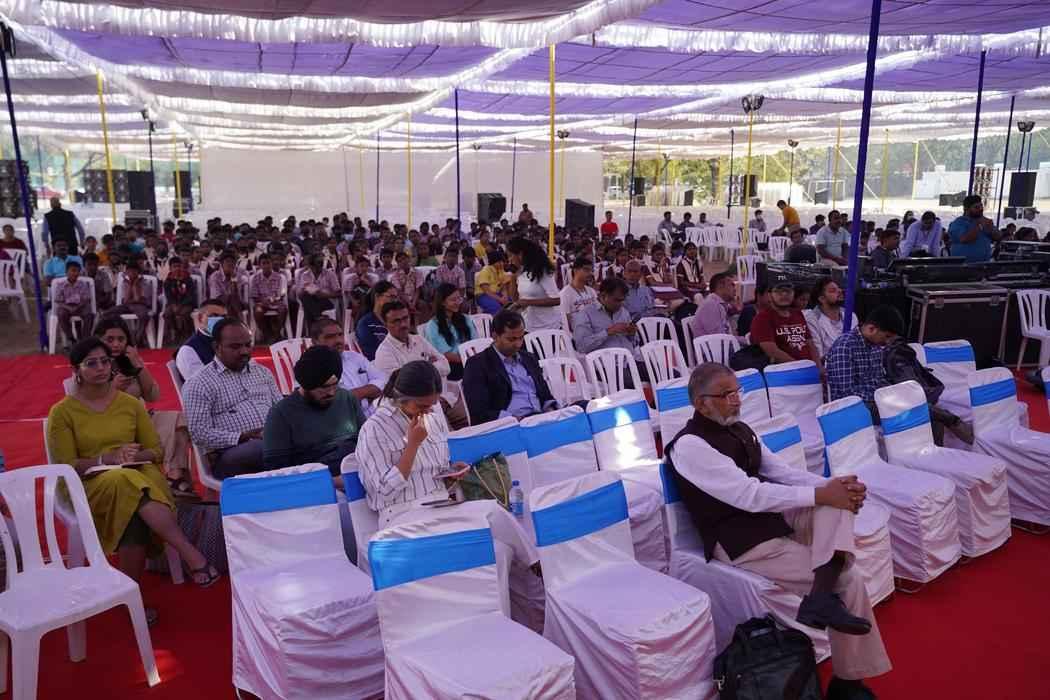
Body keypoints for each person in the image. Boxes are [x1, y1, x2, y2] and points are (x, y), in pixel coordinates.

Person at [665, 363, 890, 697]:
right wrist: (821, 494)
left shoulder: (740, 428)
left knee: (837, 503)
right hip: (740, 541)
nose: (736, 400)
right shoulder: (689, 446)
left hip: (772, 521)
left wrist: (834, 487)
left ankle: (820, 600)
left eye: (737, 391)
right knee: (849, 578)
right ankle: (848, 682)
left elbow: (783, 473)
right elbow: (748, 495)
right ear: (702, 403)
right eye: (726, 395)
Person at [47, 338, 220, 625]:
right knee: (124, 479)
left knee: (133, 498)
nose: (101, 368)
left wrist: (133, 455)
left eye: (105, 361)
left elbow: (156, 451)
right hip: (84, 484)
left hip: (135, 477)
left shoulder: (128, 404)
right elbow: (66, 465)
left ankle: (129, 598)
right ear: (76, 370)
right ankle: (189, 552)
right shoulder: (62, 412)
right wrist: (107, 459)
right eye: (91, 363)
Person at [826, 306, 971, 446]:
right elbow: (847, 393)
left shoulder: (876, 346)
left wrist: (897, 392)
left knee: (925, 410)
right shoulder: (844, 346)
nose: (887, 342)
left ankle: (936, 451)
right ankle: (950, 420)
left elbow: (880, 380)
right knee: (920, 410)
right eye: (887, 336)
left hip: (877, 400)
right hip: (853, 409)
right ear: (871, 329)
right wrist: (887, 397)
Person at [92, 318, 194, 496]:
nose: (116, 344)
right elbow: (90, 404)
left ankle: (175, 475)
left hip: (140, 420)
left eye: (121, 339)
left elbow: (153, 396)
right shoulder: (92, 365)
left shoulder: (128, 362)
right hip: (110, 426)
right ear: (98, 340)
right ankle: (177, 482)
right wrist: (114, 388)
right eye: (110, 339)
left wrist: (138, 365)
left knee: (178, 419)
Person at [183, 319, 282, 479]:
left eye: (248, 345)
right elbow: (199, 433)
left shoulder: (262, 372)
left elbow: (280, 409)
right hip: (230, 451)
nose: (244, 351)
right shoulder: (199, 383)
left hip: (272, 440)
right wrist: (243, 436)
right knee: (267, 448)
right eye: (235, 347)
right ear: (217, 347)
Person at [263, 345, 367, 478]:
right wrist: (332, 481)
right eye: (324, 387)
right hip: (312, 481)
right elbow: (278, 470)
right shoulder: (281, 414)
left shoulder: (347, 398)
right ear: (306, 384)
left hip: (357, 473)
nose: (331, 392)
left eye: (334, 385)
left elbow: (366, 441)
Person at [373, 300, 468, 429]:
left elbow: (446, 366)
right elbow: (404, 388)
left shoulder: (418, 339)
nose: (403, 324)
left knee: (473, 420)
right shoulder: (384, 353)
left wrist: (420, 370)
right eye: (396, 321)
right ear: (385, 325)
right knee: (446, 434)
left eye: (405, 318)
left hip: (445, 397)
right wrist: (428, 366)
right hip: (419, 407)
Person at [463, 309, 557, 424]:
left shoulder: (529, 358)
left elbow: (545, 395)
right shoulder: (477, 365)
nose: (518, 344)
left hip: (540, 418)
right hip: (509, 424)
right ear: (495, 336)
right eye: (511, 339)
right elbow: (479, 412)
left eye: (521, 337)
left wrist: (551, 410)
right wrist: (514, 419)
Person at [573, 277, 647, 383]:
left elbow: (635, 343)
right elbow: (581, 346)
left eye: (622, 300)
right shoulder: (585, 314)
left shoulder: (623, 312)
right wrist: (607, 332)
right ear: (603, 296)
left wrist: (632, 334)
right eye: (617, 300)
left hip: (629, 361)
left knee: (664, 374)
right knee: (632, 383)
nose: (620, 304)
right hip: (605, 366)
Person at [310, 317, 386, 417]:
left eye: (340, 335)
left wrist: (357, 394)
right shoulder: (311, 367)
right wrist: (369, 393)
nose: (338, 340)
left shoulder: (354, 357)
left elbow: (383, 380)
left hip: (375, 414)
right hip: (344, 421)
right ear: (315, 342)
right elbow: (334, 404)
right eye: (330, 337)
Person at [750, 272, 817, 364]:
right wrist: (801, 366)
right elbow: (772, 352)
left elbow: (810, 344)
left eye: (788, 291)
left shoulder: (798, 313)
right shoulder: (762, 318)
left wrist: (818, 366)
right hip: (784, 369)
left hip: (809, 367)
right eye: (779, 291)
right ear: (769, 295)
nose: (784, 294)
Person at [423, 283, 477, 381]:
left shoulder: (465, 319)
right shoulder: (433, 326)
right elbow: (445, 354)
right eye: (453, 300)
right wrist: (467, 360)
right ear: (443, 302)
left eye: (459, 299)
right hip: (449, 365)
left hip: (468, 360)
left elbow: (475, 342)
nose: (457, 302)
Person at [507, 236, 561, 331]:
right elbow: (515, 299)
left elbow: (556, 300)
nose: (509, 260)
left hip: (548, 326)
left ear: (520, 254)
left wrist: (528, 302)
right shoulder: (520, 272)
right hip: (528, 325)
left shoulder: (542, 272)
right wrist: (513, 277)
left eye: (511, 255)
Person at [174, 298, 228, 382]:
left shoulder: (228, 342)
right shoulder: (188, 351)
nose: (220, 320)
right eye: (214, 316)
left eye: (223, 317)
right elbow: (202, 384)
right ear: (200, 318)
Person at [805, 279, 858, 361]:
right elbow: (818, 355)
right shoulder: (811, 320)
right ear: (822, 299)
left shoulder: (851, 316)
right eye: (833, 290)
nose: (840, 291)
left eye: (839, 288)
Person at [102, 260, 152, 347]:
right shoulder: (125, 282)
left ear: (138, 272)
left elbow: (138, 299)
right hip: (127, 305)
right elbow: (125, 301)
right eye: (129, 271)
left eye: (134, 271)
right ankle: (108, 337)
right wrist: (130, 285)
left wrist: (135, 285)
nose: (132, 273)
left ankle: (138, 338)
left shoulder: (145, 282)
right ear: (127, 272)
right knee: (107, 314)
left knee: (143, 315)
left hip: (141, 305)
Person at [53, 259, 95, 349]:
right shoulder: (61, 285)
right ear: (66, 272)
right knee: (61, 314)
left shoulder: (82, 284)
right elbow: (58, 301)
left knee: (89, 313)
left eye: (77, 271)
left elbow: (86, 299)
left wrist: (78, 306)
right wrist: (68, 307)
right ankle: (71, 338)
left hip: (80, 305)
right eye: (73, 270)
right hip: (66, 306)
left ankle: (85, 339)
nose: (75, 273)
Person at [948, 195, 1001, 263]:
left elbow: (998, 237)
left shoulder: (984, 221)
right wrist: (979, 226)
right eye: (976, 207)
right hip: (964, 265)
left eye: (981, 206)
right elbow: (965, 239)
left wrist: (991, 229)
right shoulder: (958, 223)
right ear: (966, 209)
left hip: (984, 265)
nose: (980, 209)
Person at [250, 253, 288, 344]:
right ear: (260, 265)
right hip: (262, 302)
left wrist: (275, 299)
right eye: (264, 263)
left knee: (283, 309)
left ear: (271, 263)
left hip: (276, 301)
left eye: (268, 263)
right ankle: (265, 333)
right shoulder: (255, 278)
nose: (266, 265)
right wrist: (263, 301)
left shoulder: (279, 277)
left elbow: (281, 293)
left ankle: (276, 333)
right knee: (258, 311)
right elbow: (254, 296)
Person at [355, 280, 398, 361]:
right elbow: (371, 353)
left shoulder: (395, 320)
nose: (395, 301)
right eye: (391, 297)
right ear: (377, 296)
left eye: (396, 297)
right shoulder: (365, 324)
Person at [691, 271, 740, 338]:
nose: (735, 289)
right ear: (721, 286)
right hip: (715, 344)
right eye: (732, 285)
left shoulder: (718, 304)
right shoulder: (711, 305)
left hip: (722, 342)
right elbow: (720, 338)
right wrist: (745, 340)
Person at [297, 253, 342, 325]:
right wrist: (305, 290)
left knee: (308, 306)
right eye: (317, 264)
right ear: (311, 266)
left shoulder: (330, 274)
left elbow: (339, 293)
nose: (320, 266)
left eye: (321, 263)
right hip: (311, 300)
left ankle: (315, 321)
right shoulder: (305, 275)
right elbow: (299, 295)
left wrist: (324, 295)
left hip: (327, 301)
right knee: (306, 298)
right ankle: (318, 317)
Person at [161, 257, 198, 345]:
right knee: (167, 314)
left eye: (179, 266)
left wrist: (181, 305)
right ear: (170, 268)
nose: (177, 268)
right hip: (173, 304)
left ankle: (186, 334)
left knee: (183, 313)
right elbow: (169, 296)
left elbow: (191, 295)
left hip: (187, 304)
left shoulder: (188, 279)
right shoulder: (168, 281)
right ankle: (175, 332)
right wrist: (174, 305)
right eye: (174, 266)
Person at [559, 256, 598, 329]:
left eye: (591, 270)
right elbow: (567, 321)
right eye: (586, 270)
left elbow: (598, 313)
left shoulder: (591, 291)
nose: (590, 273)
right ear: (575, 270)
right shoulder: (565, 294)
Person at [475, 249, 512, 314]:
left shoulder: (501, 270)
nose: (502, 264)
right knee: (495, 307)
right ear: (493, 262)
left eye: (502, 261)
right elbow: (487, 291)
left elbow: (503, 287)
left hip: (497, 293)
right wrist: (500, 299)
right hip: (483, 295)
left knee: (511, 303)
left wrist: (505, 296)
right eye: (499, 262)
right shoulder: (485, 271)